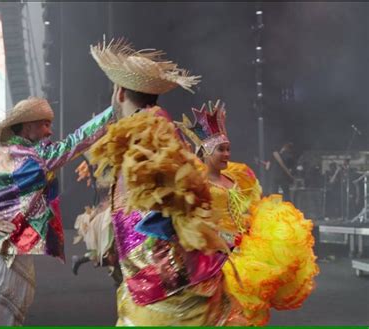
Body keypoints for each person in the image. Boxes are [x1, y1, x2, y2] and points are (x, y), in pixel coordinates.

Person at [86, 38, 246, 326]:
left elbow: (166, 213)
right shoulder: (154, 131)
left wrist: (166, 263)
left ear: (120, 93)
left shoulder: (149, 134)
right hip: (157, 284)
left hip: (166, 291)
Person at [0, 97, 115, 326]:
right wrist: (115, 109)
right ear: (27, 126)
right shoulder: (37, 158)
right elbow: (79, 140)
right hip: (7, 254)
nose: (50, 131)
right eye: (45, 124)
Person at [176, 100, 319, 325]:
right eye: (220, 150)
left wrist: (250, 225)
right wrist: (223, 238)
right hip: (215, 258)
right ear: (205, 151)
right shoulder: (197, 182)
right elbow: (192, 221)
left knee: (246, 313)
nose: (226, 154)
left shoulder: (235, 178)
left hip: (244, 250)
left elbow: (244, 209)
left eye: (228, 149)